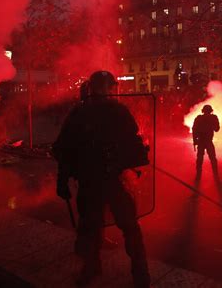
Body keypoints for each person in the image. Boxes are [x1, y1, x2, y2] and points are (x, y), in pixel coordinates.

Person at [53, 71, 150, 288]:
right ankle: (140, 274)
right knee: (129, 228)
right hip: (113, 182)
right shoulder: (118, 110)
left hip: (89, 182)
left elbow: (64, 150)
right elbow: (134, 145)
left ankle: (92, 268)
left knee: (90, 228)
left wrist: (62, 180)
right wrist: (135, 162)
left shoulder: (79, 112)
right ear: (109, 87)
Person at [192, 104, 220, 182]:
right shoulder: (213, 117)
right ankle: (216, 175)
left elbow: (194, 130)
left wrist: (195, 140)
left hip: (201, 141)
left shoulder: (199, 118)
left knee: (200, 159)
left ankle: (198, 175)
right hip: (208, 141)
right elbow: (217, 129)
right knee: (212, 158)